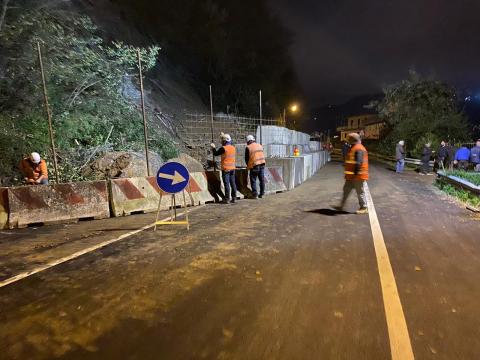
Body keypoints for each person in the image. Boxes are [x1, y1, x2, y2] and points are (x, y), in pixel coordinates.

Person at [333, 133, 369, 214]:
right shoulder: (354, 147)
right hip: (351, 176)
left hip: (358, 176)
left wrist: (355, 174)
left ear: (352, 140)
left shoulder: (358, 148)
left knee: (360, 192)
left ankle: (364, 207)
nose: (348, 141)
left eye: (349, 139)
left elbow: (358, 163)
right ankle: (341, 206)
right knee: (346, 190)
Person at [211, 133, 237, 204]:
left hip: (226, 169)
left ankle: (227, 198)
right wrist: (223, 136)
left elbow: (216, 153)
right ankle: (234, 197)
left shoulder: (223, 148)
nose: (221, 142)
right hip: (232, 168)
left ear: (224, 141)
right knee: (233, 183)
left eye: (222, 141)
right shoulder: (233, 147)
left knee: (226, 184)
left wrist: (213, 148)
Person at [245, 135, 266, 199]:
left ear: (248, 141)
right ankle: (262, 194)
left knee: (253, 180)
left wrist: (248, 166)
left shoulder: (248, 147)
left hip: (254, 165)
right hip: (262, 163)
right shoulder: (259, 145)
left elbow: (247, 159)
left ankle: (255, 194)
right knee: (261, 180)